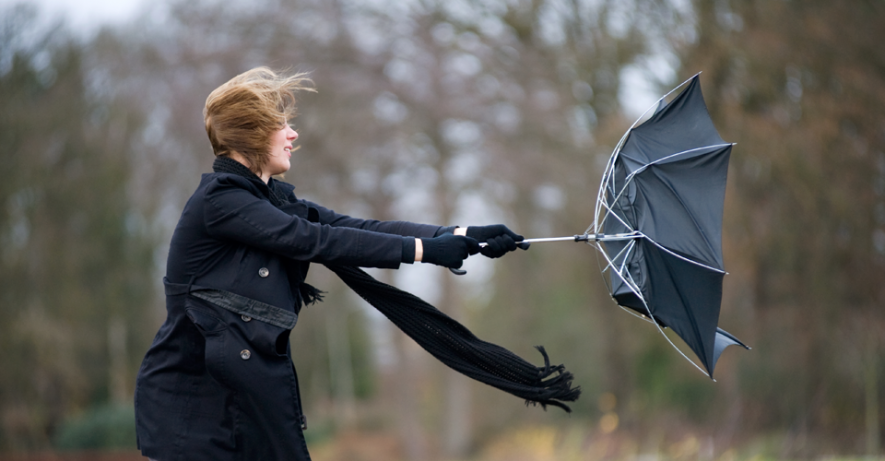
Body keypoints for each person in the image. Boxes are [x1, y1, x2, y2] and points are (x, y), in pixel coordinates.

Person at [134, 67, 527, 461]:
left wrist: (459, 235)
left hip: (245, 407)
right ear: (251, 134)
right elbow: (314, 240)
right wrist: (425, 250)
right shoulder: (220, 201)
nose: (293, 134)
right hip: (194, 420)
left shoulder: (270, 201)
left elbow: (353, 226)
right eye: (280, 125)